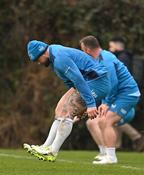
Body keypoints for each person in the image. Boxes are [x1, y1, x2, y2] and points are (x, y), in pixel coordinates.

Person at [24, 40, 111, 161]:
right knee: (60, 109)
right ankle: (46, 146)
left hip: (98, 82)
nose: (38, 63)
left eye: (37, 60)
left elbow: (78, 79)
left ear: (42, 54)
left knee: (66, 112)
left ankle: (52, 151)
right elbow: (71, 82)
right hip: (88, 82)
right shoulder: (54, 58)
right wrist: (81, 106)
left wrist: (90, 104)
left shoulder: (59, 58)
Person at [79, 36, 140, 164]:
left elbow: (113, 83)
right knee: (99, 121)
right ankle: (106, 154)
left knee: (106, 121)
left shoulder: (106, 59)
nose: (83, 53)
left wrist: (106, 103)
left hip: (128, 94)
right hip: (119, 94)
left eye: (82, 50)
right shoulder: (99, 58)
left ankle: (111, 157)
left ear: (87, 49)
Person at [109, 37, 144, 152]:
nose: (110, 49)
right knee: (115, 117)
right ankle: (117, 145)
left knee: (113, 117)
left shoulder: (122, 58)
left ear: (118, 46)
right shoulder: (125, 56)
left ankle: (137, 137)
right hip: (130, 93)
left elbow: (119, 77)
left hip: (125, 93)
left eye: (111, 46)